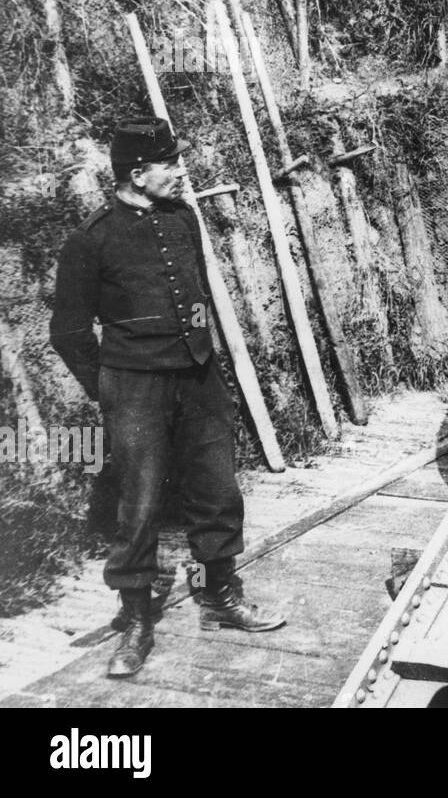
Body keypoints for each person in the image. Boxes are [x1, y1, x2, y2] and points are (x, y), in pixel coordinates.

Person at [50, 117, 284, 679]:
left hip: (198, 377)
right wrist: (111, 386)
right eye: (170, 164)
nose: (181, 172)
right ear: (138, 173)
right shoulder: (93, 238)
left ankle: (220, 595)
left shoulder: (182, 219)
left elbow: (196, 293)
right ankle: (135, 619)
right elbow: (69, 332)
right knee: (139, 502)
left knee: (216, 488)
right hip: (134, 385)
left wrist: (204, 354)